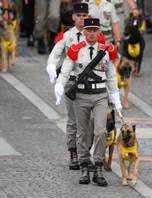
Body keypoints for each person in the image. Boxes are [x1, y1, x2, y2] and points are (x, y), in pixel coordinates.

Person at [54, 18, 122, 186]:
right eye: (89, 30)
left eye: (95, 30)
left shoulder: (107, 51)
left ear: (100, 32)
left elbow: (111, 75)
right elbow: (66, 69)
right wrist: (60, 85)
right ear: (84, 32)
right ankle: (84, 166)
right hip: (81, 95)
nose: (92, 33)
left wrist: (115, 96)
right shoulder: (76, 50)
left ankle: (98, 166)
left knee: (100, 131)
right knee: (83, 132)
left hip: (100, 95)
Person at [46, 2, 93, 171]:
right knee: (74, 121)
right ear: (73, 17)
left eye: (84, 16)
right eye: (79, 16)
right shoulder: (66, 36)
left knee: (90, 121)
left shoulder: (94, 35)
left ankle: (86, 152)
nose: (81, 19)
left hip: (91, 82)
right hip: (72, 82)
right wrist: (51, 66)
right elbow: (55, 54)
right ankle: (74, 152)